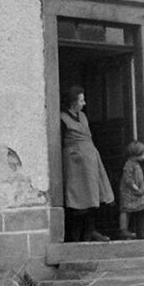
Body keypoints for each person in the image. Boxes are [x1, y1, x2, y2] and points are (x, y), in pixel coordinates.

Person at [60, 85, 114, 242]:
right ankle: (75, 237)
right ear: (73, 102)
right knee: (77, 199)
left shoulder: (83, 116)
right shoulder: (62, 118)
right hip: (75, 164)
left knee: (93, 197)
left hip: (90, 161)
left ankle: (90, 232)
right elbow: (62, 143)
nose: (84, 103)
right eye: (81, 100)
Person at [117, 140, 144, 240]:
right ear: (136, 155)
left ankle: (139, 232)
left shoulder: (136, 164)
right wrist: (136, 188)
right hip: (131, 192)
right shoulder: (129, 164)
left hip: (137, 193)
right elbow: (128, 179)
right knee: (126, 210)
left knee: (138, 211)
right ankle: (123, 230)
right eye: (143, 153)